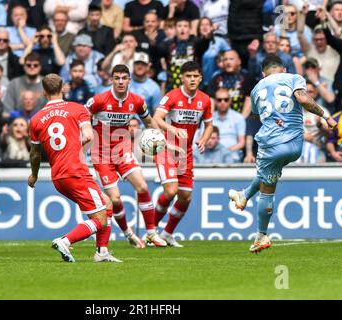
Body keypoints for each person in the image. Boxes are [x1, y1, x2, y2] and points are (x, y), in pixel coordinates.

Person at [228, 55, 337, 253]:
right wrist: (325, 115)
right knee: (267, 175)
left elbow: (256, 115)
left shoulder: (255, 89)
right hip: (296, 145)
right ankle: (243, 195)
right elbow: (303, 99)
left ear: (263, 73)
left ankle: (261, 234)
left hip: (271, 144)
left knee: (266, 188)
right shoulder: (294, 77)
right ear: (284, 69)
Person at [28, 73, 121, 263]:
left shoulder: (36, 119)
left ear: (44, 93)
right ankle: (65, 241)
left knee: (107, 203)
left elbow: (35, 154)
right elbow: (88, 135)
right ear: (63, 88)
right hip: (76, 171)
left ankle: (102, 252)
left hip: (58, 176)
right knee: (101, 218)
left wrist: (34, 175)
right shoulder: (77, 109)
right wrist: (76, 145)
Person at [85, 64, 167, 248]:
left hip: (123, 152)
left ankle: (151, 233)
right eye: (117, 78)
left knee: (143, 187)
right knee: (114, 199)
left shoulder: (137, 101)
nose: (121, 82)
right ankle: (128, 233)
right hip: (102, 155)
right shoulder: (99, 100)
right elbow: (81, 117)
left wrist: (160, 139)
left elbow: (148, 121)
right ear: (111, 80)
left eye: (124, 78)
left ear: (129, 80)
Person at [153, 61, 213, 247]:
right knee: (171, 191)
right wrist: (172, 129)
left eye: (196, 76)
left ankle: (167, 233)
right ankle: (150, 230)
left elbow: (209, 124)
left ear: (200, 78)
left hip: (185, 153)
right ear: (182, 78)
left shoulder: (204, 100)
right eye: (189, 76)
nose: (192, 79)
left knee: (185, 197)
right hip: (167, 150)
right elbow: (156, 118)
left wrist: (203, 139)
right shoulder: (172, 96)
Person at [212, 88, 246, 162]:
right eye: (219, 100)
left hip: (233, 153)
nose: (223, 102)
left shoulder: (238, 117)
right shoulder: (209, 118)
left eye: (226, 99)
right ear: (215, 101)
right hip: (213, 153)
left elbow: (242, 142)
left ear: (230, 101)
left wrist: (225, 151)